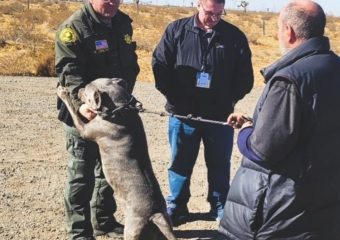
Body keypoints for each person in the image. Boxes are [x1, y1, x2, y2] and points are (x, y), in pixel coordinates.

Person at [219, 0, 340, 239]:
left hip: (288, 215)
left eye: (278, 28)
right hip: (330, 205)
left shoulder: (289, 80)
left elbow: (262, 151)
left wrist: (245, 130)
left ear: (289, 31)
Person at [152, 0, 254, 226]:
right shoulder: (176, 30)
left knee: (219, 163)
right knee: (180, 162)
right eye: (209, 13)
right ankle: (176, 207)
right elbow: (160, 65)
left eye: (219, 13)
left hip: (219, 117)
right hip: (182, 115)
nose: (214, 18)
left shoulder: (234, 36)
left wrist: (228, 100)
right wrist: (175, 98)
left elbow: (245, 77)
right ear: (198, 5)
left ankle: (219, 206)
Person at [55, 0, 140, 239]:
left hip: (113, 116)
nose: (113, 2)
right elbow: (69, 73)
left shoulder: (122, 23)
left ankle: (103, 220)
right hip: (85, 112)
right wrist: (81, 105)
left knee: (108, 171)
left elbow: (129, 66)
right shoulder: (74, 28)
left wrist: (123, 100)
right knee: (81, 175)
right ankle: (79, 231)